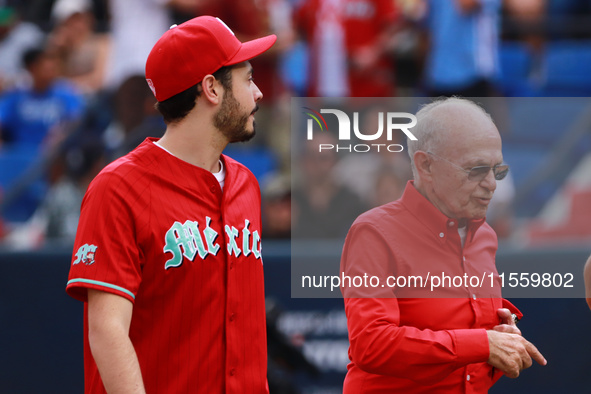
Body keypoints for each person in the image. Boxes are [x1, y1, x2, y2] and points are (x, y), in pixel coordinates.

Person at [65, 16, 276, 393]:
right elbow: (106, 330)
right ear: (211, 88)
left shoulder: (246, 183)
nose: (258, 93)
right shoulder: (118, 188)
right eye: (247, 79)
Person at [340, 97, 546, 393]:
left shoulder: (484, 235)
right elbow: (371, 345)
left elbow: (470, 361)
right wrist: (482, 343)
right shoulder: (374, 231)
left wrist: (502, 341)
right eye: (476, 169)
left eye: (497, 170)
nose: (491, 183)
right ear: (426, 165)